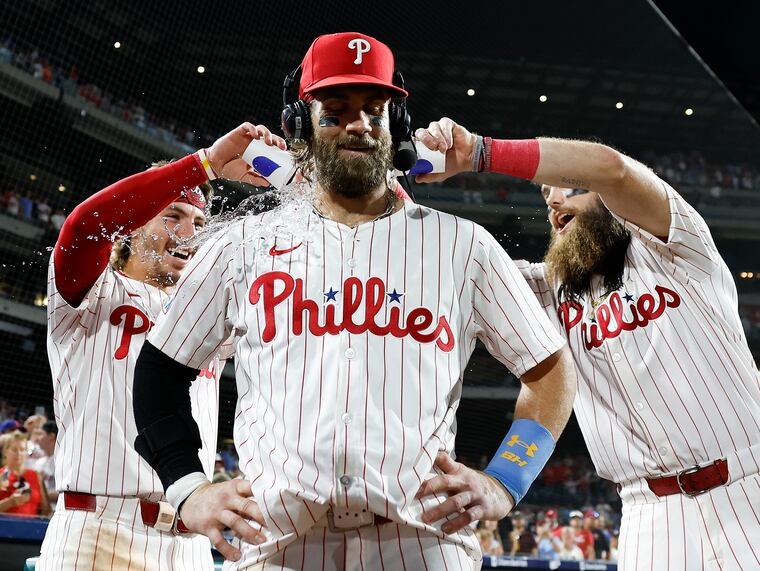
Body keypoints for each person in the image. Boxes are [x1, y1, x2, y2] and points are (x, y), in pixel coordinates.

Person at [131, 32, 576, 570]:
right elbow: (159, 371)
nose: (358, 124)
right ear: (298, 125)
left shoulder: (464, 245)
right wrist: (187, 487)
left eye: (375, 109)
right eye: (335, 110)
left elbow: (550, 371)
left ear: (398, 126)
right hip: (277, 545)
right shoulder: (241, 246)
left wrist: (508, 479)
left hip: (424, 543)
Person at [413, 117, 760, 570]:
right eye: (547, 194)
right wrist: (360, 170)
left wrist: (480, 151)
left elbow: (610, 168)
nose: (553, 198)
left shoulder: (676, 245)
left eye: (569, 186)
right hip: (646, 518)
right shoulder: (548, 292)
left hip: (746, 487)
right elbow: (445, 260)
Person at [36, 123, 285, 570]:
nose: (189, 233)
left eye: (199, 223)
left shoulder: (208, 314)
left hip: (190, 538)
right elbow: (85, 227)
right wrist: (203, 164)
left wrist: (294, 178)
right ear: (131, 228)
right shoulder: (92, 292)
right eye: (172, 216)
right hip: (99, 530)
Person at [0, 430, 50, 516]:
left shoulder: (36, 475)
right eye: (14, 450)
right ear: (5, 452)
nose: (19, 453)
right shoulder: (1, 474)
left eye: (22, 449)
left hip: (31, 527)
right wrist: (9, 502)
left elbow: (45, 510)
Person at [33, 421, 58, 509]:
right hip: (40, 511)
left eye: (40, 434)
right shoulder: (39, 462)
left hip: (57, 511)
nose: (37, 439)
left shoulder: (63, 461)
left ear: (51, 436)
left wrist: (44, 496)